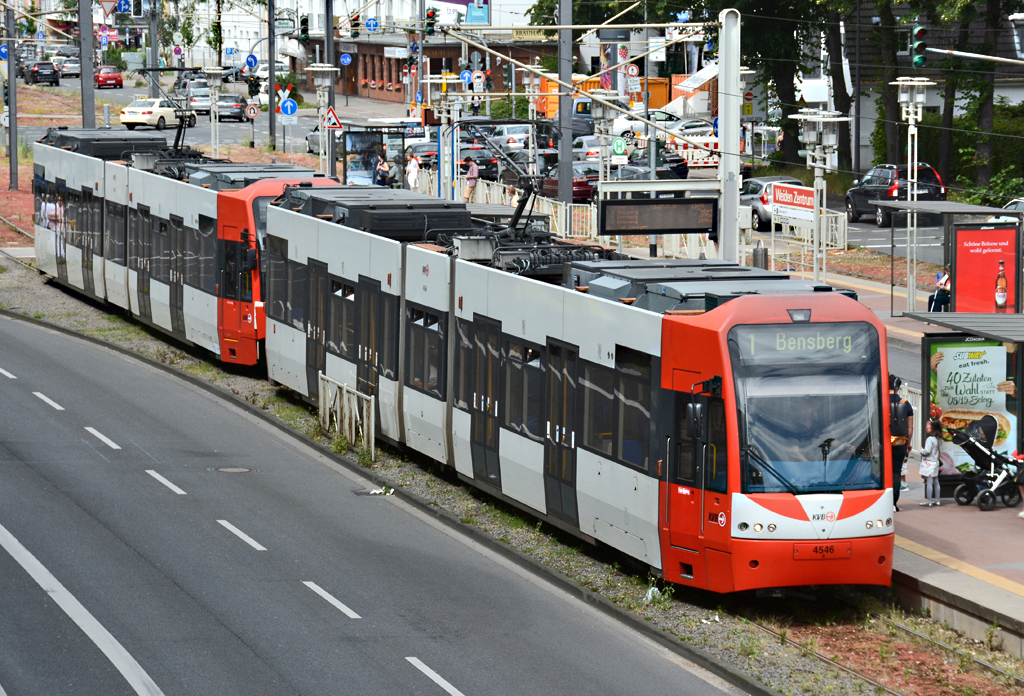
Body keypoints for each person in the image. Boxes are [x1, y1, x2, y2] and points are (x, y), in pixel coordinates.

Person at [890, 373, 914, 511]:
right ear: (898, 386)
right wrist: (908, 443)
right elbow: (910, 428)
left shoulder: (880, 401)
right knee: (896, 472)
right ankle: (894, 503)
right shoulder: (905, 404)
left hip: (882, 443)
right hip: (900, 443)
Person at [919, 418, 942, 506]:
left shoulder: (930, 439)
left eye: (928, 426)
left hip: (929, 462)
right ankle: (937, 500)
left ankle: (929, 501)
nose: (926, 428)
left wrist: (921, 450)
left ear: (932, 428)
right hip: (936, 462)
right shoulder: (939, 439)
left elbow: (927, 451)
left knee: (929, 482)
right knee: (936, 482)